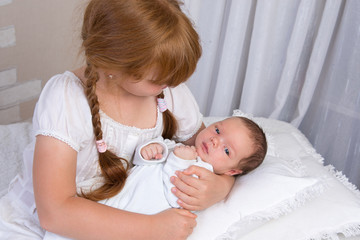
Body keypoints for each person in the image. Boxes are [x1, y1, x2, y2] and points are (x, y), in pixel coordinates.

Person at [0, 1, 236, 240]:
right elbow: (54, 213)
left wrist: (221, 187)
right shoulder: (66, 100)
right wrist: (153, 228)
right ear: (113, 64)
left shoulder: (167, 91)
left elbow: (209, 148)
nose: (171, 84)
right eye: (159, 79)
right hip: (54, 223)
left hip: (125, 209)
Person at [43, 116, 267, 240]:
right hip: (122, 195)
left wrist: (180, 160)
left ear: (232, 172)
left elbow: (177, 194)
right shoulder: (181, 147)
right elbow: (143, 161)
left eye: (227, 151)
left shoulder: (203, 175)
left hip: (139, 213)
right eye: (218, 130)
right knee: (89, 220)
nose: (216, 141)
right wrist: (150, 150)